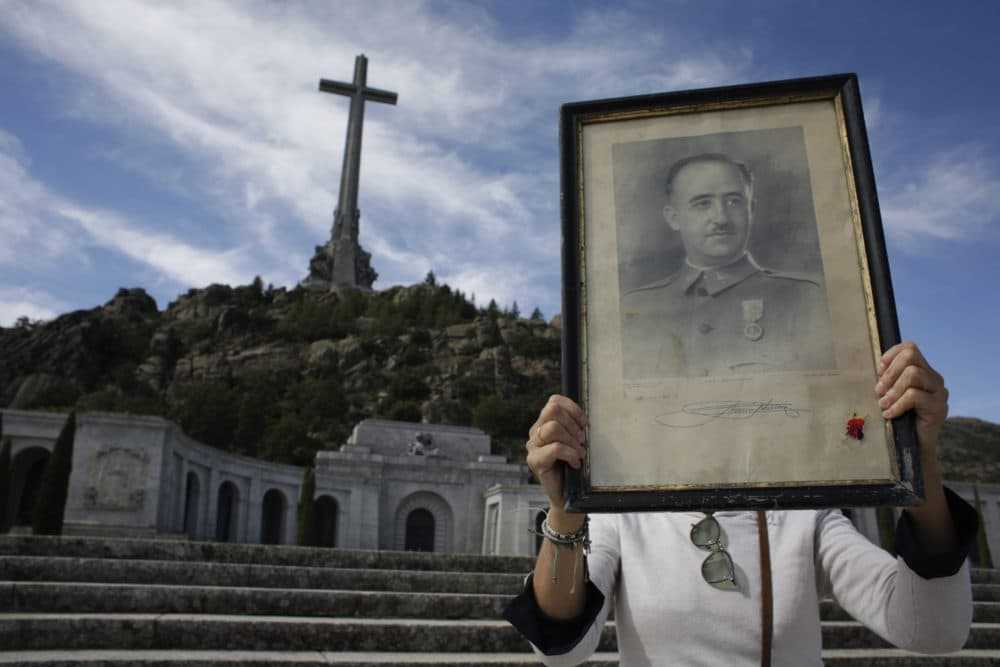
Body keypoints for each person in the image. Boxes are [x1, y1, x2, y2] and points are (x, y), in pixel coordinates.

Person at [504, 341, 977, 666]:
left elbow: (932, 628)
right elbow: (562, 650)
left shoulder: (803, 511)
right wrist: (567, 506)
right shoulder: (625, 514)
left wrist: (919, 459)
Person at [621, 153, 835, 379]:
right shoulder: (635, 307)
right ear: (673, 218)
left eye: (734, 201)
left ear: (751, 209)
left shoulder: (805, 299)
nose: (721, 218)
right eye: (702, 204)